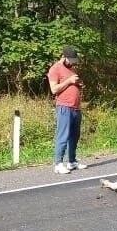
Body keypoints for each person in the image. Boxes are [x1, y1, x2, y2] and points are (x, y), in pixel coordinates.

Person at [47, 46, 88, 174]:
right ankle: (58, 164)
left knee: (74, 136)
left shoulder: (71, 69)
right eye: (71, 60)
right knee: (63, 135)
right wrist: (70, 81)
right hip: (64, 106)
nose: (72, 62)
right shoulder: (55, 69)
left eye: (74, 60)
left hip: (76, 107)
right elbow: (54, 89)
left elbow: (71, 84)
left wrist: (77, 84)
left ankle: (72, 161)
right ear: (64, 57)